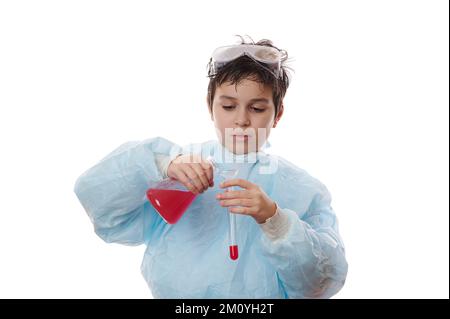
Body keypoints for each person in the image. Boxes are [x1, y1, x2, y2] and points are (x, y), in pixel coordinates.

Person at [74, 35, 348, 298]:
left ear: (277, 114)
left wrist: (274, 219)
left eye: (257, 108)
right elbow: (101, 205)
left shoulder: (303, 191)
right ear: (210, 106)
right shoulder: (180, 169)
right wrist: (160, 165)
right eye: (228, 106)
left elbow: (320, 284)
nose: (241, 121)